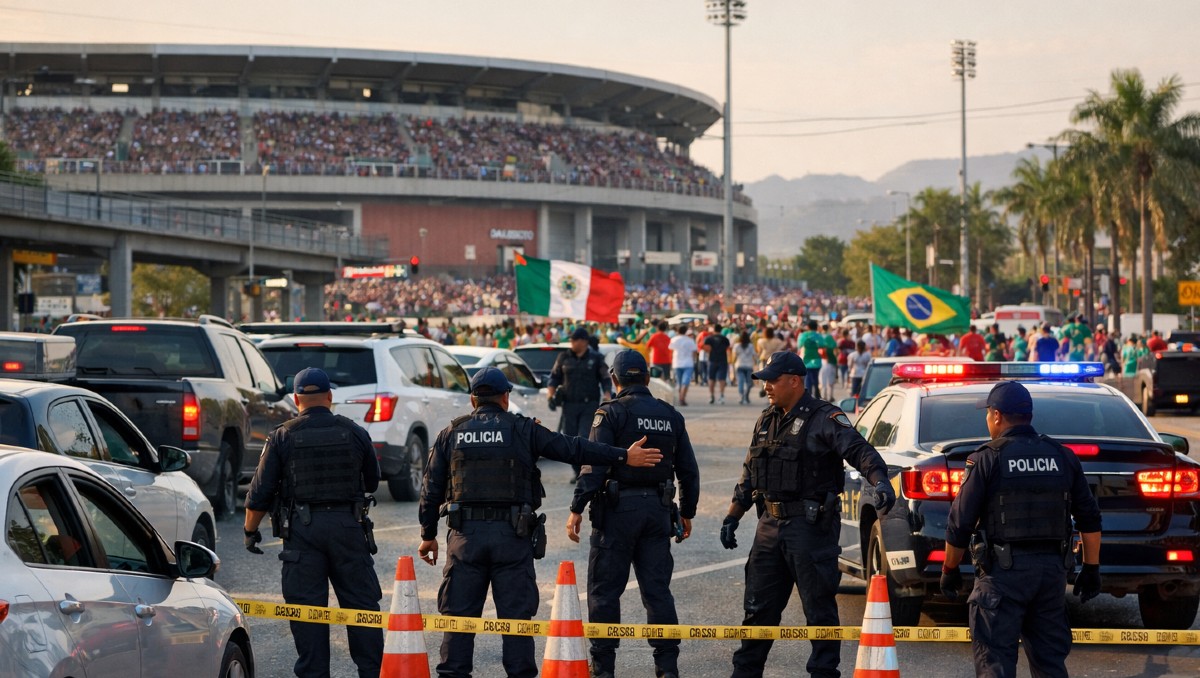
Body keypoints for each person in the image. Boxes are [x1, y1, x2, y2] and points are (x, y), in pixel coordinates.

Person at [418, 366, 664, 678]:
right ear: (506, 397)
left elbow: (430, 490)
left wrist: (428, 534)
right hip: (512, 536)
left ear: (472, 400)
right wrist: (621, 456)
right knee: (517, 621)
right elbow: (573, 447)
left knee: (458, 620)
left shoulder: (451, 433)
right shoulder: (523, 429)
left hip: (465, 538)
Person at [720, 351, 896, 678]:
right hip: (769, 527)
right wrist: (734, 515)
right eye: (766, 380)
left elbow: (858, 450)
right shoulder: (766, 419)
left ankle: (823, 674)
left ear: (795, 381)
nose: (767, 386)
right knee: (757, 613)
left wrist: (880, 480)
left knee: (819, 614)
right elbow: (750, 472)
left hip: (810, 529)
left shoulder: (824, 418)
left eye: (773, 380)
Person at [939, 381, 1102, 677]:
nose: (987, 419)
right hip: (1051, 575)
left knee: (995, 662)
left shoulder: (987, 458)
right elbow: (1090, 518)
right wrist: (1091, 568)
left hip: (1003, 576)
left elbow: (959, 523)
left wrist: (949, 569)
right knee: (1050, 664)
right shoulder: (1062, 456)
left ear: (998, 415)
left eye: (988, 413)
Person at [243, 367, 384, 678]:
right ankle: (372, 672)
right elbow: (373, 482)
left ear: (296, 399)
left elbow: (259, 493)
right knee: (361, 607)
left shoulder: (282, 435)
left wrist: (250, 531)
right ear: (330, 397)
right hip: (348, 528)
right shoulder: (355, 432)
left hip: (302, 533)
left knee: (307, 612)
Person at [567, 351, 700, 678]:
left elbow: (595, 463)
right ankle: (667, 668)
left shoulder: (610, 413)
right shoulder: (670, 415)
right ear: (647, 377)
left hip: (616, 514)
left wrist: (576, 508)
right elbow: (689, 470)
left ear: (614, 379)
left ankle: (604, 669)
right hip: (657, 512)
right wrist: (688, 511)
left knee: (604, 592)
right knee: (657, 592)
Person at [548, 327, 612, 438]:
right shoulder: (564, 357)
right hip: (569, 405)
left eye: (574, 340)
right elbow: (554, 377)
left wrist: (607, 395)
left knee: (584, 438)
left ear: (583, 342)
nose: (571, 342)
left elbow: (605, 378)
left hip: (589, 406)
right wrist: (550, 396)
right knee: (568, 439)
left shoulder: (596, 358)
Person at [668, 325, 698, 406]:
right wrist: (694, 360)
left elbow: (670, 349)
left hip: (677, 363)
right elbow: (694, 352)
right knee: (685, 382)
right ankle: (682, 398)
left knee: (680, 382)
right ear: (685, 331)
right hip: (688, 363)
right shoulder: (690, 340)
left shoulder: (674, 339)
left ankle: (681, 398)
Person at [704, 322, 732, 404]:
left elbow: (707, 349)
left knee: (711, 378)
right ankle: (721, 395)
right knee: (722, 379)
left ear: (714, 329)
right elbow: (728, 348)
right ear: (721, 330)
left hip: (712, 360)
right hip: (723, 360)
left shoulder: (709, 338)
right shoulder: (725, 339)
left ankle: (711, 395)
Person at [733, 331, 757, 405]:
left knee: (740, 381)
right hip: (749, 366)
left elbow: (734, 356)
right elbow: (754, 356)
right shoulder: (750, 346)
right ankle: (746, 395)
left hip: (739, 365)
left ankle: (741, 396)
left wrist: (733, 363)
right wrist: (755, 363)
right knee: (749, 382)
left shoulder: (736, 346)